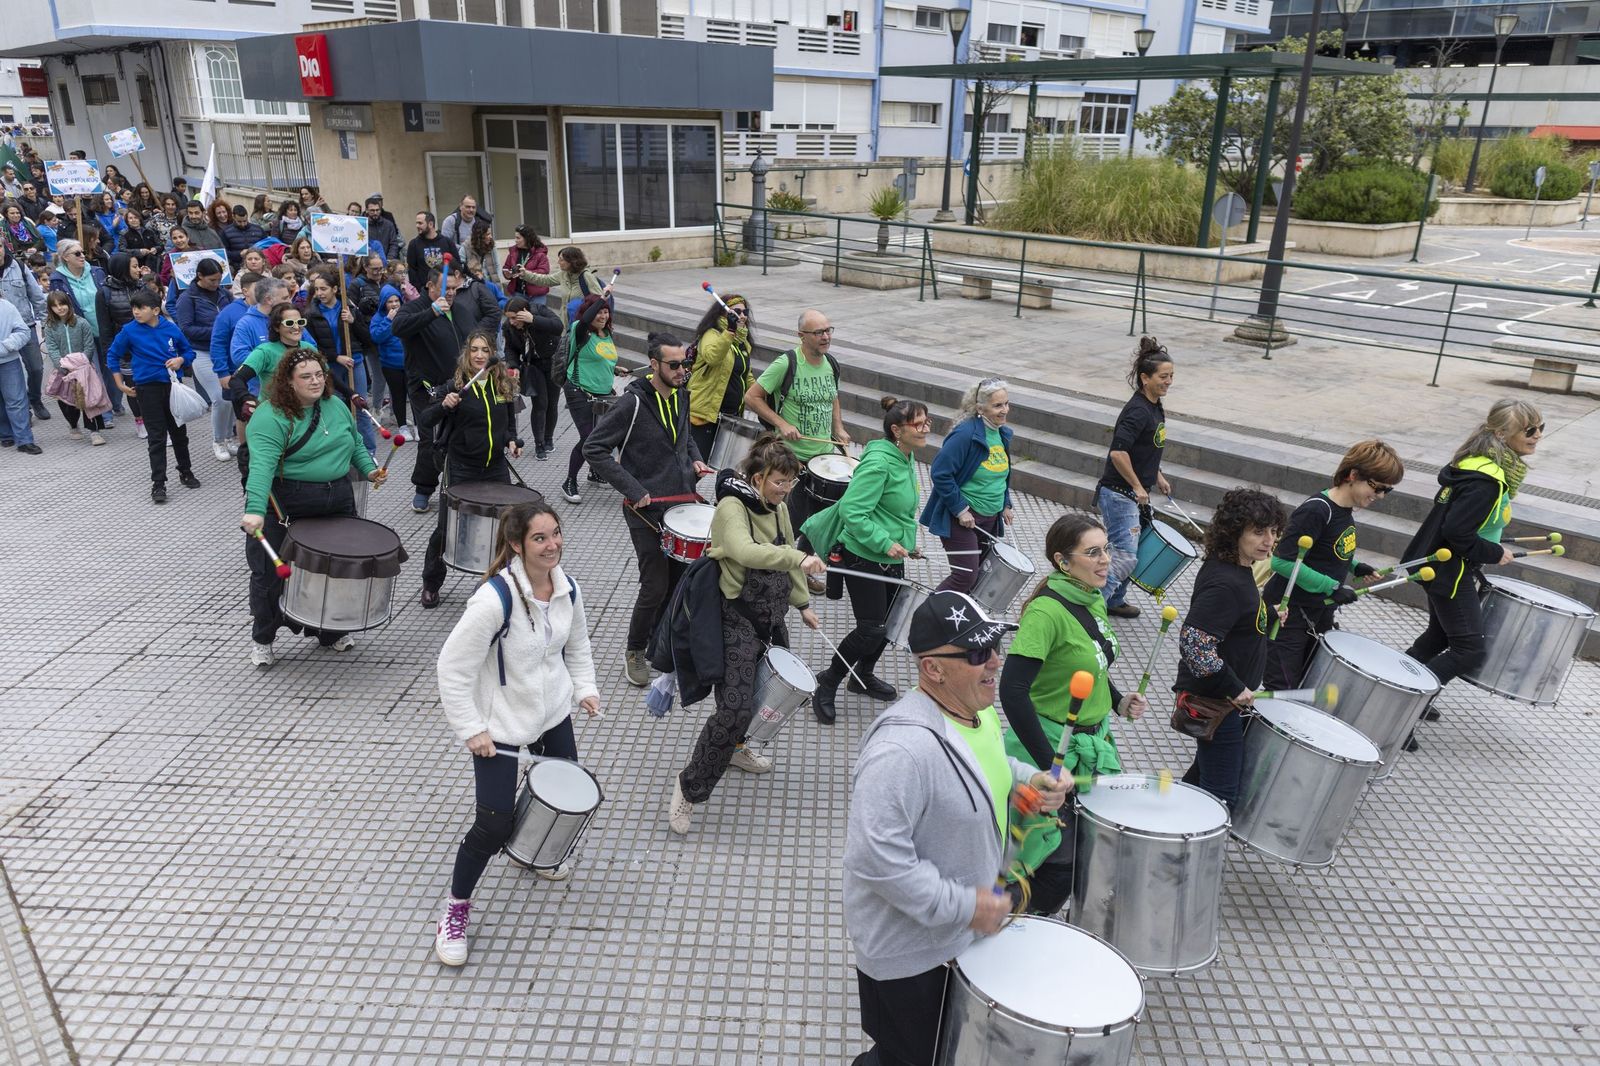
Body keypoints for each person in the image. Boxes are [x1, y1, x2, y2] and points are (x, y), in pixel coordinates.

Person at [843, 589, 1070, 1066]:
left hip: (959, 935)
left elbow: (989, 762)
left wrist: (1028, 779)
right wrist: (967, 907)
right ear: (933, 669)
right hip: (911, 955)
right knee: (906, 1059)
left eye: (994, 647)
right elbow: (876, 861)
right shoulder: (900, 752)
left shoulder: (977, 710)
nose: (994, 661)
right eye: (976, 653)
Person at [432, 500, 600, 966]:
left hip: (550, 712)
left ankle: (532, 854)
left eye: (556, 534)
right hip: (500, 724)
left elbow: (578, 644)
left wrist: (584, 689)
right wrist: (471, 729)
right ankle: (455, 909)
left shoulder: (568, 588)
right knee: (493, 823)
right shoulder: (493, 600)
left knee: (563, 795)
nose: (552, 545)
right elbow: (452, 667)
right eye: (540, 538)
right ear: (516, 545)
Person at [668, 435, 825, 834]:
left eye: (790, 482)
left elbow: (788, 555)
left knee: (767, 695)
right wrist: (800, 558)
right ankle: (689, 788)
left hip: (771, 619)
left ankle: (737, 748)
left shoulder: (779, 508)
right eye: (778, 482)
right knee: (734, 709)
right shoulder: (731, 507)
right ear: (757, 478)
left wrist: (803, 603)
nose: (785, 490)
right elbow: (745, 551)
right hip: (735, 621)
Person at [998, 513, 1148, 916]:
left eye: (1107, 549)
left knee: (1079, 853)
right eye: (1093, 552)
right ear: (1063, 562)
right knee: (1053, 862)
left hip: (1090, 743)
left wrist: (1117, 700)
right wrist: (1049, 766)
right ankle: (999, 923)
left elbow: (1091, 666)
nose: (1105, 560)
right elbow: (1012, 691)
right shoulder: (1045, 614)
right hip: (1047, 749)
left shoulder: (1092, 597)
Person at [1401, 400, 1542, 747]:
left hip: (1437, 565)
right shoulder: (1487, 481)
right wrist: (1494, 552)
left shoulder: (1477, 465)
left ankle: (1397, 695)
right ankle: (1399, 710)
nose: (1537, 436)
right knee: (1469, 650)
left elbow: (1466, 524)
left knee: (1439, 636)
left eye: (1541, 428)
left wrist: (1491, 541)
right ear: (1500, 433)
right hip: (1449, 571)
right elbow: (1458, 533)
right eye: (1529, 430)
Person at [584, 331, 713, 685]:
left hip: (681, 505)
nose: (682, 370)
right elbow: (593, 449)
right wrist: (633, 488)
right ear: (654, 365)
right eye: (674, 365)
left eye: (685, 363)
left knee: (676, 584)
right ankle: (635, 650)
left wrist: (696, 462)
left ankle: (661, 643)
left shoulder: (682, 395)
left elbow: (685, 439)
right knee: (654, 586)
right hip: (644, 509)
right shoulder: (632, 403)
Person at [240, 348, 383, 666]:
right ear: (288, 382)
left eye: (319, 374)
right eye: (306, 376)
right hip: (286, 503)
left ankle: (329, 631)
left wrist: (369, 469)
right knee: (268, 577)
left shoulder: (335, 406)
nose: (316, 381)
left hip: (338, 499)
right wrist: (253, 509)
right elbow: (261, 467)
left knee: (334, 571)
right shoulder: (270, 416)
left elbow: (355, 441)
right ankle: (263, 637)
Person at [800, 397, 928, 724]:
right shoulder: (880, 463)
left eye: (928, 422)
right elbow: (852, 512)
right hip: (862, 556)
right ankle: (828, 681)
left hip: (887, 556)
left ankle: (863, 676)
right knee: (871, 627)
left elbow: (893, 511)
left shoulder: (905, 456)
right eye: (919, 423)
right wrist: (885, 543)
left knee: (889, 625)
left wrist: (906, 544)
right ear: (897, 430)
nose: (926, 428)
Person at [1261, 440, 1405, 691]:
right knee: (1282, 689)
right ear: (1353, 475)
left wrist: (1355, 566)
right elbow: (1282, 561)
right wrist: (1331, 587)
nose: (1380, 496)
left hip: (1318, 612)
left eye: (1387, 491)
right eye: (1378, 487)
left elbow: (1328, 551)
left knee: (1308, 683)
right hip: (1288, 614)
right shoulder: (1317, 510)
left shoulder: (1345, 510)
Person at [1174, 487, 1287, 808]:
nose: (1269, 540)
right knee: (1220, 794)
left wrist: (1267, 612)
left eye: (1274, 532)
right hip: (1216, 701)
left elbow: (1233, 619)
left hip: (1224, 700)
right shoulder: (1227, 582)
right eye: (1258, 531)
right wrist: (1235, 688)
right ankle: (1188, 851)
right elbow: (1195, 644)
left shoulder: (1234, 568)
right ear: (1234, 531)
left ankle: (1168, 830)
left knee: (1200, 779)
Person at [417, 331, 524, 607]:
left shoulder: (502, 384)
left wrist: (512, 440)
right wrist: (444, 405)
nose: (479, 355)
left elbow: (509, 423)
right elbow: (426, 421)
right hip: (462, 467)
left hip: (496, 467)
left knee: (504, 528)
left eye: (484, 350)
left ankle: (493, 582)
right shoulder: (455, 385)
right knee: (446, 528)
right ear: (467, 353)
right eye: (474, 350)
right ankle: (431, 582)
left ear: (492, 354)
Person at [743, 308, 851, 534]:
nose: (826, 337)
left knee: (821, 526)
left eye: (828, 331)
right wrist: (782, 423)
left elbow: (833, 396)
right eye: (818, 332)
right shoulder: (786, 363)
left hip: (824, 458)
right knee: (789, 525)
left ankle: (807, 564)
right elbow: (751, 397)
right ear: (801, 335)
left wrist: (838, 427)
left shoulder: (831, 363)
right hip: (793, 461)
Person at [1098, 336, 1174, 620]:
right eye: (1163, 377)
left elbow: (1143, 448)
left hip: (1134, 492)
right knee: (1125, 555)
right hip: (1119, 494)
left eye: (1171, 377)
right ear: (1145, 378)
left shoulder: (1155, 405)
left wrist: (1158, 475)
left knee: (1136, 551)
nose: (1168, 382)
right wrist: (1138, 486)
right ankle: (1091, 609)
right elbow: (1118, 453)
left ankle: (1115, 600)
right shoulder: (1136, 411)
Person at [921, 377, 1015, 594]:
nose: (1005, 410)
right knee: (965, 576)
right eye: (998, 405)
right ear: (980, 408)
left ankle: (961, 620)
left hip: (989, 519)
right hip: (962, 519)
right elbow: (940, 473)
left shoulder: (1001, 433)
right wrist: (960, 510)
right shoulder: (965, 435)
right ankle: (927, 616)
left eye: (1006, 403)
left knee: (981, 574)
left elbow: (1000, 475)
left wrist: (1006, 504)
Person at [106, 289, 201, 502]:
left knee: (179, 433)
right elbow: (112, 355)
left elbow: (189, 352)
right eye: (134, 308)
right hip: (146, 389)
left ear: (156, 310)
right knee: (156, 437)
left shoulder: (171, 329)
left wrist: (180, 361)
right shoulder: (129, 330)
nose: (136, 312)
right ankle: (158, 483)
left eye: (141, 308)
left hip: (172, 388)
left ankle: (186, 471)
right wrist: (119, 383)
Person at [392, 268, 466, 512]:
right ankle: (423, 489)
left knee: (462, 434)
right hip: (427, 389)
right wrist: (432, 312)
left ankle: (464, 485)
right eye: (448, 289)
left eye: (456, 288)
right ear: (430, 287)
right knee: (430, 439)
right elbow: (399, 327)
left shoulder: (460, 309)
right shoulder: (414, 308)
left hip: (460, 385)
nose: (452, 293)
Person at [303, 269, 377, 455]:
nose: (319, 293)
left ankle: (369, 452)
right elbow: (313, 346)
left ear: (335, 289)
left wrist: (353, 322)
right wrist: (336, 357)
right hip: (330, 368)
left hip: (355, 363)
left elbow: (368, 339)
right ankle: (341, 450)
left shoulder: (349, 308)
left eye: (324, 289)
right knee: (335, 409)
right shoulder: (311, 314)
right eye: (317, 289)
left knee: (360, 407)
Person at [557, 293, 621, 504]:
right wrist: (602, 298)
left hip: (602, 394)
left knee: (603, 436)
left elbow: (602, 358)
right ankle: (569, 481)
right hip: (579, 391)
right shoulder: (580, 329)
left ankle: (594, 472)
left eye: (606, 311)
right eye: (598, 311)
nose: (602, 315)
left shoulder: (606, 333)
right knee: (589, 438)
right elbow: (586, 319)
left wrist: (615, 368)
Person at [172, 257, 236, 462]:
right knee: (219, 397)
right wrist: (218, 331)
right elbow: (186, 328)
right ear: (200, 276)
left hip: (226, 351)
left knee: (234, 395)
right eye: (212, 280)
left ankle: (230, 435)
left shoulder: (225, 294)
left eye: (219, 280)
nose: (216, 284)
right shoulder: (187, 298)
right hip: (202, 352)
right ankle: (218, 440)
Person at [47, 239, 111, 424]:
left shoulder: (97, 272)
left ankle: (112, 404)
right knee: (94, 372)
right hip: (81, 331)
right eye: (77, 253)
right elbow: (56, 305)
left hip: (104, 328)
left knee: (109, 369)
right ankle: (103, 415)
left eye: (82, 252)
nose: (82, 256)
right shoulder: (57, 279)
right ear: (65, 257)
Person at [686, 293, 755, 461]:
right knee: (696, 463)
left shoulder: (742, 343)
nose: (743, 316)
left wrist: (764, 395)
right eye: (737, 311)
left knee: (727, 465)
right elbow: (713, 356)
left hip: (730, 417)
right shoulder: (711, 334)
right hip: (704, 414)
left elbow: (747, 376)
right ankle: (679, 488)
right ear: (723, 313)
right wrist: (730, 331)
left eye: (745, 311)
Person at [95, 254, 151, 438]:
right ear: (122, 268)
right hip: (125, 350)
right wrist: (110, 354)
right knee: (132, 386)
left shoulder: (141, 286)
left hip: (148, 346)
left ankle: (155, 419)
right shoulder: (104, 293)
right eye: (134, 266)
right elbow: (104, 327)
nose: (138, 270)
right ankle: (140, 420)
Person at [41, 290, 107, 444]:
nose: (60, 308)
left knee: (90, 398)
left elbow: (89, 346)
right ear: (50, 308)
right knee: (66, 400)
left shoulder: (82, 323)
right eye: (55, 306)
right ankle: (72, 424)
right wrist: (63, 366)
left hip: (84, 369)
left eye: (62, 304)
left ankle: (94, 430)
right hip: (64, 371)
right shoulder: (50, 327)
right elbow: (52, 349)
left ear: (68, 304)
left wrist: (81, 365)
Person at [501, 295, 562, 459]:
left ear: (524, 312)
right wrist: (513, 365)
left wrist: (534, 319)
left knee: (552, 403)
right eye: (509, 318)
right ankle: (539, 444)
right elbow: (510, 349)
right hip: (532, 365)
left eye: (515, 318)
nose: (512, 322)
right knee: (540, 403)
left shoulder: (539, 311)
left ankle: (549, 439)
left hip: (552, 362)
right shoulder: (509, 326)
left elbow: (558, 326)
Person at [0, 238, 49, 423]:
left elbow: (36, 296)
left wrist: (44, 323)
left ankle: (35, 399)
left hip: (25, 326)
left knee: (36, 368)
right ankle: (23, 410)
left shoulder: (19, 267)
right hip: (2, 331)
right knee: (14, 370)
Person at [516, 244, 609, 325]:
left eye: (561, 260)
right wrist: (525, 274)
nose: (558, 262)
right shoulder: (563, 273)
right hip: (565, 322)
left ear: (571, 261)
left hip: (582, 322)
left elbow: (599, 300)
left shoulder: (586, 276)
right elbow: (545, 280)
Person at [0, 296, 39, 453]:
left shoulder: (7, 307)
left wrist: (6, 346)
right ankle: (5, 434)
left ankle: (24, 440)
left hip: (8, 361)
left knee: (16, 400)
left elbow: (23, 331)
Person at [368, 283, 409, 432]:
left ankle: (418, 427)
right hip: (390, 364)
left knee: (414, 395)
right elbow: (377, 337)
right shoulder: (378, 318)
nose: (394, 304)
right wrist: (388, 320)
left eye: (396, 301)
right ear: (384, 303)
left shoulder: (406, 313)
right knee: (398, 396)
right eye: (390, 301)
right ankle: (402, 427)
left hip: (409, 362)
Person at [407, 211, 457, 293]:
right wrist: (420, 291)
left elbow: (456, 265)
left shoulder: (447, 242)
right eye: (416, 223)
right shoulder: (414, 244)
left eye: (420, 223)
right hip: (425, 292)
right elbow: (412, 271)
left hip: (446, 290)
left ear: (430, 224)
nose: (417, 226)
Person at [501, 225, 549, 301]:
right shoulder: (513, 252)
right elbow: (506, 267)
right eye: (515, 237)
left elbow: (543, 272)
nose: (515, 240)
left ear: (527, 238)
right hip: (517, 292)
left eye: (518, 238)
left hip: (536, 294)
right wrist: (508, 274)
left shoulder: (540, 253)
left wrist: (525, 273)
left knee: (535, 313)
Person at [220, 204, 267, 272]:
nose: (243, 224)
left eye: (245, 221)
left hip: (258, 267)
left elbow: (266, 247)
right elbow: (224, 252)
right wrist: (239, 254)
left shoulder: (258, 230)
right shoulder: (226, 232)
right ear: (233, 217)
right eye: (239, 222)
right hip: (237, 267)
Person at [119, 207, 160, 273]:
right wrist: (139, 252)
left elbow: (160, 245)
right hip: (136, 265)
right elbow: (122, 250)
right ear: (127, 221)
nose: (133, 220)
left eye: (135, 217)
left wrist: (156, 249)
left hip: (153, 264)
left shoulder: (149, 231)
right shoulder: (124, 234)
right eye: (130, 218)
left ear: (139, 219)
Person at [461, 220, 500, 288]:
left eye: (490, 233)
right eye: (488, 234)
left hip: (493, 286)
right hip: (475, 287)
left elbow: (497, 265)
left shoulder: (491, 246)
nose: (490, 237)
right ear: (479, 236)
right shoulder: (465, 247)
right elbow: (460, 268)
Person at [363, 196, 401, 262]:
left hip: (386, 261)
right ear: (366, 210)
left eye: (377, 210)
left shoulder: (389, 225)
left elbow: (394, 244)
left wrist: (389, 259)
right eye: (372, 210)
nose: (375, 213)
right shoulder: (362, 225)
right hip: (368, 263)